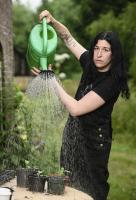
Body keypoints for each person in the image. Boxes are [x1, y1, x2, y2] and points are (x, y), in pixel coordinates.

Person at [32, 10, 130, 200]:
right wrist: (52, 21)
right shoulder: (90, 63)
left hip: (94, 141)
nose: (99, 54)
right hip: (73, 133)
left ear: (114, 54)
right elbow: (68, 39)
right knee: (69, 185)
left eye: (106, 50)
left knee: (91, 188)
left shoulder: (112, 82)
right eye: (97, 48)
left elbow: (76, 108)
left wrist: (51, 79)